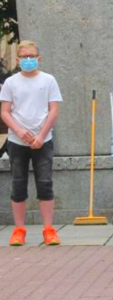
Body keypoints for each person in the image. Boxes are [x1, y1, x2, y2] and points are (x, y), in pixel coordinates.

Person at [2, 41, 62, 247]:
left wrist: (41, 134)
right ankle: (19, 229)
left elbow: (53, 110)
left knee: (45, 184)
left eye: (32, 56)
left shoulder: (49, 80)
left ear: (39, 58)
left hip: (43, 140)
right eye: (24, 57)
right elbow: (5, 111)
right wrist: (19, 131)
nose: (28, 60)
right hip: (17, 141)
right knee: (18, 184)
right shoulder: (11, 82)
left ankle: (49, 229)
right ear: (18, 59)